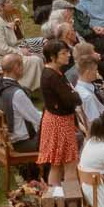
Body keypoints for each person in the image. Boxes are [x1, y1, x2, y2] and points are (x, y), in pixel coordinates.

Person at [38, 38, 81, 186]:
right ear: (52, 56)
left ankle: (56, 199)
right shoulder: (52, 76)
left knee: (58, 165)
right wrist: (75, 94)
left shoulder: (53, 72)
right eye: (63, 53)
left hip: (56, 119)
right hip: (59, 122)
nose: (68, 55)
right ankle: (69, 201)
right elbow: (72, 99)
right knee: (69, 164)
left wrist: (73, 94)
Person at [0, 0, 43, 90]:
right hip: (2, 58)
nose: (11, 2)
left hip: (10, 52)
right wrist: (20, 52)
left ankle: (32, 87)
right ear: (1, 6)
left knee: (38, 52)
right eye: (8, 1)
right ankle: (24, 88)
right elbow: (2, 49)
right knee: (36, 60)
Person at [0, 53, 43, 156]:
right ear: (16, 68)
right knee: (70, 137)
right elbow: (37, 119)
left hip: (11, 140)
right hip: (24, 143)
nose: (23, 68)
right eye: (22, 65)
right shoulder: (17, 93)